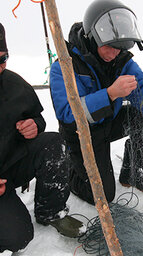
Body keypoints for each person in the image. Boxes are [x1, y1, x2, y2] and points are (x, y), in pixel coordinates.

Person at [50, 0, 143, 205]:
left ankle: (132, 171)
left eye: (120, 48)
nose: (115, 53)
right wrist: (110, 95)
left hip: (108, 123)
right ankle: (71, 169)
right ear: (93, 37)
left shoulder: (120, 60)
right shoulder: (64, 64)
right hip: (81, 135)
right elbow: (67, 115)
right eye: (111, 47)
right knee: (101, 195)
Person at [0, 23, 85, 254]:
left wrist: (33, 126)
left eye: (3, 58)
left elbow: (37, 118)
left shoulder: (13, 83)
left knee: (52, 142)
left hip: (9, 166)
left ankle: (51, 211)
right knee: (17, 237)